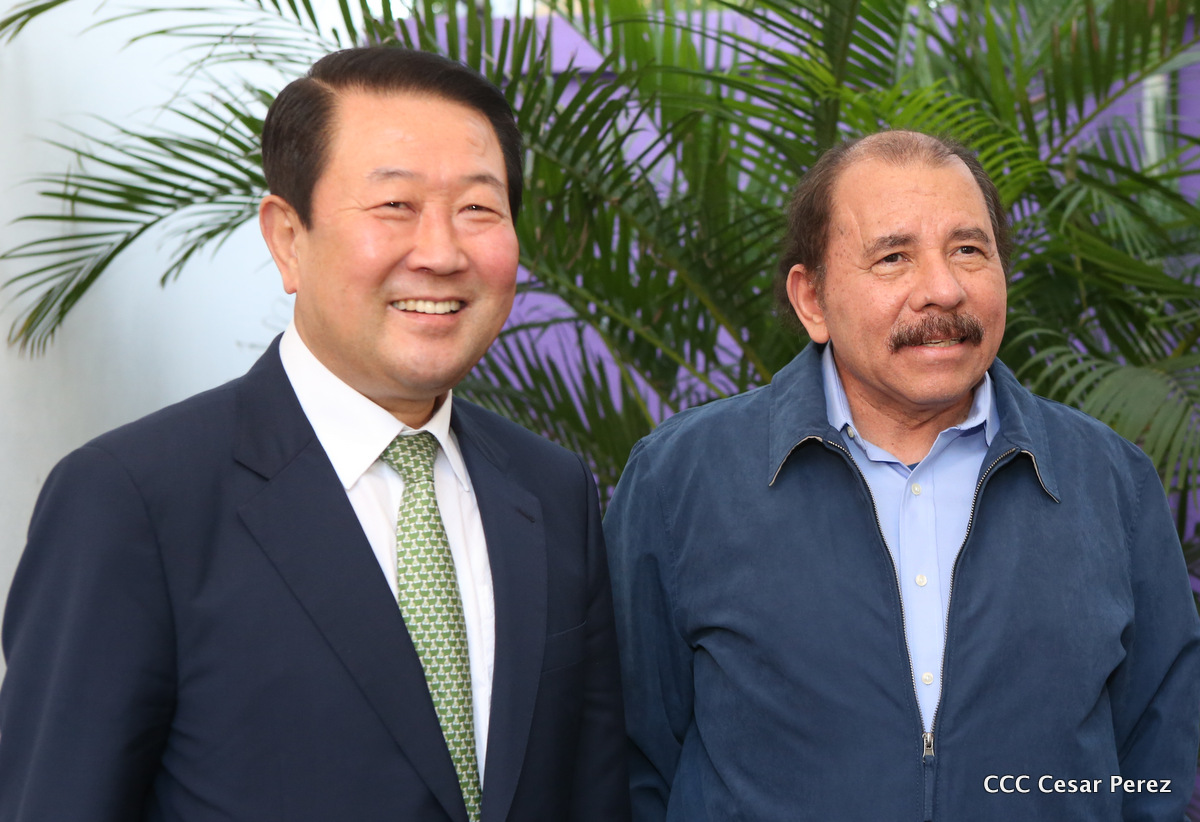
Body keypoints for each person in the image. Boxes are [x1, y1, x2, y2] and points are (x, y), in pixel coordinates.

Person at [0, 47, 630, 822]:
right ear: (286, 238)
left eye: (478, 209)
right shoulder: (134, 501)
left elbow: (594, 794)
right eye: (394, 205)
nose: (441, 253)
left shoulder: (551, 490)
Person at [604, 130, 1200, 821]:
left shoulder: (1111, 483)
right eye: (893, 257)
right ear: (812, 300)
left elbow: (1155, 766)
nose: (943, 290)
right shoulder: (681, 480)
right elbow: (626, 763)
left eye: (969, 250)